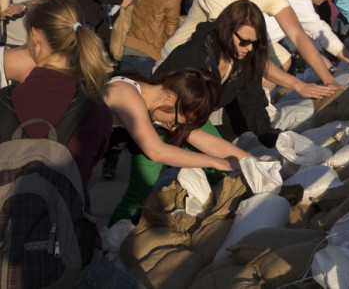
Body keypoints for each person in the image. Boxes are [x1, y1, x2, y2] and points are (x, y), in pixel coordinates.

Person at [0, 0, 137, 287]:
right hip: (68, 252)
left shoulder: (3, 102)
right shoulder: (96, 109)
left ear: (35, 37)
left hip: (6, 249)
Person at [161, 0, 340, 98]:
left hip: (223, 64)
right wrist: (299, 85)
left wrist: (329, 81)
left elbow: (297, 34)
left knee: (281, 61)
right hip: (182, 66)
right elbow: (239, 49)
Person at [103, 67, 251, 225]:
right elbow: (157, 151)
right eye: (174, 121)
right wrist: (217, 162)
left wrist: (252, 161)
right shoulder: (125, 92)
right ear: (169, 100)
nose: (171, 125)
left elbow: (207, 141)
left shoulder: (156, 102)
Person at [155, 0, 275, 142]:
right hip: (161, 120)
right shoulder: (194, 55)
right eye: (244, 41)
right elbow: (174, 106)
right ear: (227, 31)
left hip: (193, 120)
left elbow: (252, 100)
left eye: (255, 43)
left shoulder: (244, 60)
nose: (249, 48)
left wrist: (267, 133)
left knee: (224, 158)